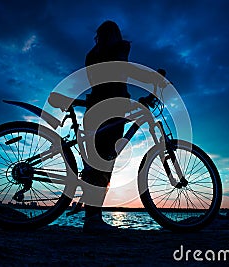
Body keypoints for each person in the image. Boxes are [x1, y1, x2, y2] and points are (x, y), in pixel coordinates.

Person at [82, 21, 165, 233]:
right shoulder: (120, 48)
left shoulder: (92, 54)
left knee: (97, 162)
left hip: (94, 108)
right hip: (112, 108)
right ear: (116, 35)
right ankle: (93, 220)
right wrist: (153, 78)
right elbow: (123, 70)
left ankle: (91, 217)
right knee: (105, 162)